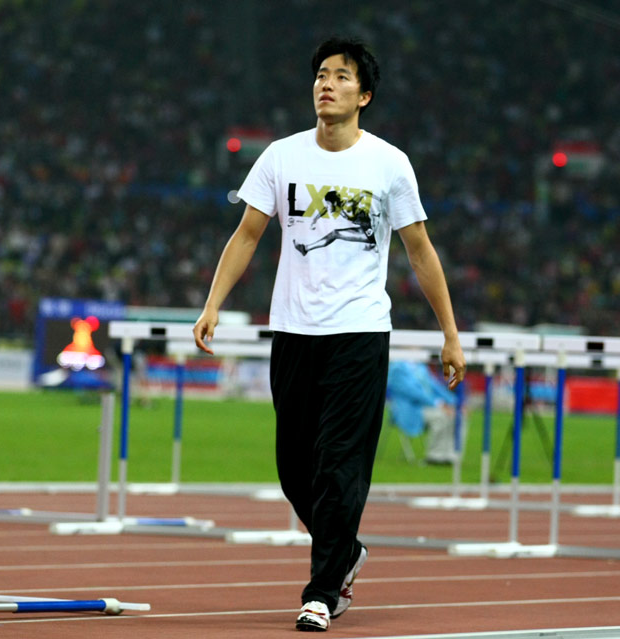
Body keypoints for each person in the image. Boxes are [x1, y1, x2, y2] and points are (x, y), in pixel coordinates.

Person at [193, 36, 466, 632]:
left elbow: (420, 251)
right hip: (293, 331)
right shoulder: (280, 157)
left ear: (364, 95)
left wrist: (450, 332)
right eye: (321, 74)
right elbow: (246, 235)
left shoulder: (389, 164)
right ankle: (345, 550)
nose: (327, 84)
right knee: (295, 469)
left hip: (359, 333)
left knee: (338, 465)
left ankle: (320, 593)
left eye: (342, 76)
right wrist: (213, 304)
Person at [387, 360, 462, 465]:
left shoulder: (420, 367)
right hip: (410, 411)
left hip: (427, 407)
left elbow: (435, 386)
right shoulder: (397, 368)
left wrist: (456, 403)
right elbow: (412, 392)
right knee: (441, 416)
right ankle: (434, 456)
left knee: (456, 415)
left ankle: (449, 455)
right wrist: (438, 404)